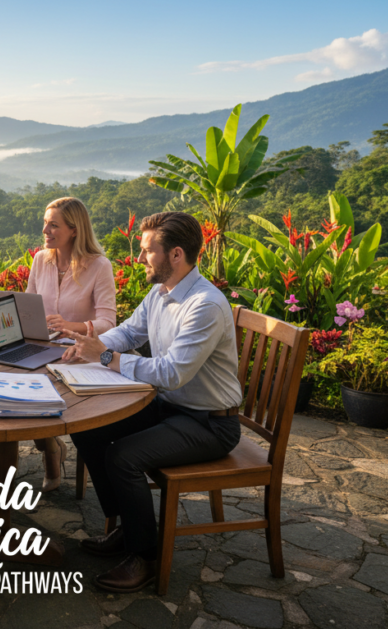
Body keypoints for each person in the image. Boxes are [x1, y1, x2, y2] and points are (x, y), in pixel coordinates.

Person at [61, 212, 242, 593]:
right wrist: (92, 347)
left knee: (123, 456)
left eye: (147, 251)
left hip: (208, 422)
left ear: (176, 255)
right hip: (172, 408)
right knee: (87, 430)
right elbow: (129, 331)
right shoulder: (161, 291)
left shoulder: (204, 305)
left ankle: (144, 555)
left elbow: (172, 373)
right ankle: (128, 527)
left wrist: (105, 358)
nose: (140, 258)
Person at [25, 197, 116, 492]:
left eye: (53, 225)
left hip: (78, 356)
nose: (45, 230)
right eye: (45, 223)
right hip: (42, 349)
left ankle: (52, 452)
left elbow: (107, 322)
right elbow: (27, 305)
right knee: (21, 403)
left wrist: (70, 326)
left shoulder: (99, 266)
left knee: (40, 405)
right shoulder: (41, 259)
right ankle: (52, 448)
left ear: (74, 230)